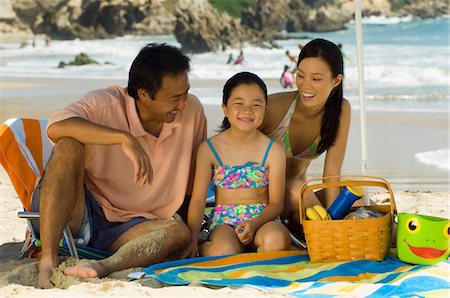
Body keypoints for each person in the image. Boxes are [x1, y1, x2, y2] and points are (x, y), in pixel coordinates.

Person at [32, 43, 207, 288]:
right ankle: (48, 262)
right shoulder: (104, 104)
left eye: (185, 93)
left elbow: (192, 180)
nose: (183, 104)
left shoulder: (193, 112)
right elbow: (56, 126)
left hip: (134, 228)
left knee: (178, 232)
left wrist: (191, 236)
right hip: (78, 212)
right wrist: (123, 138)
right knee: (68, 144)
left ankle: (104, 266)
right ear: (144, 94)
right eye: (175, 98)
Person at [182, 72, 291, 258]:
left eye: (256, 105)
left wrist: (255, 223)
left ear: (265, 109)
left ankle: (258, 250)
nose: (247, 111)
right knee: (224, 251)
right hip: (225, 221)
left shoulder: (273, 151)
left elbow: (276, 203)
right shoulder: (209, 148)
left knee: (276, 241)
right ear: (225, 108)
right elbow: (199, 200)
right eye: (238, 104)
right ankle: (205, 246)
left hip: (263, 219)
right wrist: (192, 238)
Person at [259, 38, 350, 229]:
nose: (305, 85)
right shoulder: (273, 108)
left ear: (336, 81)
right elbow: (230, 145)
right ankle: (326, 235)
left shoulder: (339, 110)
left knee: (353, 197)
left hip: (299, 197)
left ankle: (328, 230)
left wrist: (335, 215)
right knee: (295, 189)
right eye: (300, 75)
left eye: (316, 79)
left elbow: (332, 174)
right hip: (260, 198)